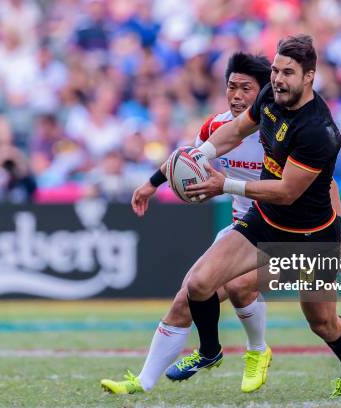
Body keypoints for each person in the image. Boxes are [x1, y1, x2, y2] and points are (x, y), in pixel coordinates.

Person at [147, 35, 341, 399]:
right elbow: (234, 131)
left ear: (309, 77)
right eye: (276, 70)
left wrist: (225, 185)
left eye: (288, 73)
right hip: (265, 221)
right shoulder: (271, 95)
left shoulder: (318, 131)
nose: (279, 79)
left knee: (322, 322)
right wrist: (200, 154)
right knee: (200, 283)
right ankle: (209, 350)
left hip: (312, 236)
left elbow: (287, 191)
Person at [101, 52, 273, 395]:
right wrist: (151, 184)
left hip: (287, 230)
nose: (236, 95)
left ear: (265, 92)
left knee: (321, 320)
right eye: (231, 87)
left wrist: (224, 184)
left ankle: (257, 350)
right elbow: (186, 159)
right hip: (244, 228)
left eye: (246, 88)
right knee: (188, 296)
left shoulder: (281, 131)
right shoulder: (216, 127)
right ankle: (142, 382)